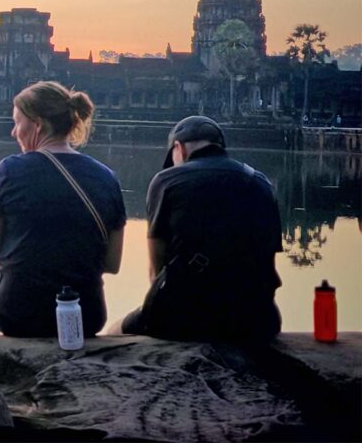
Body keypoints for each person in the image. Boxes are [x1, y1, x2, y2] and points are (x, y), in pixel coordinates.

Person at [0, 81, 126, 337]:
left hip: (17, 313)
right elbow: (112, 264)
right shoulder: (106, 177)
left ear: (37, 124)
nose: (14, 132)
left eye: (17, 122)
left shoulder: (9, 170)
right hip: (87, 316)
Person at [120, 116, 282, 342]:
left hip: (186, 319)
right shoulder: (260, 182)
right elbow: (267, 262)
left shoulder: (167, 181)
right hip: (257, 320)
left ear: (179, 148)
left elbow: (156, 272)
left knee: (118, 328)